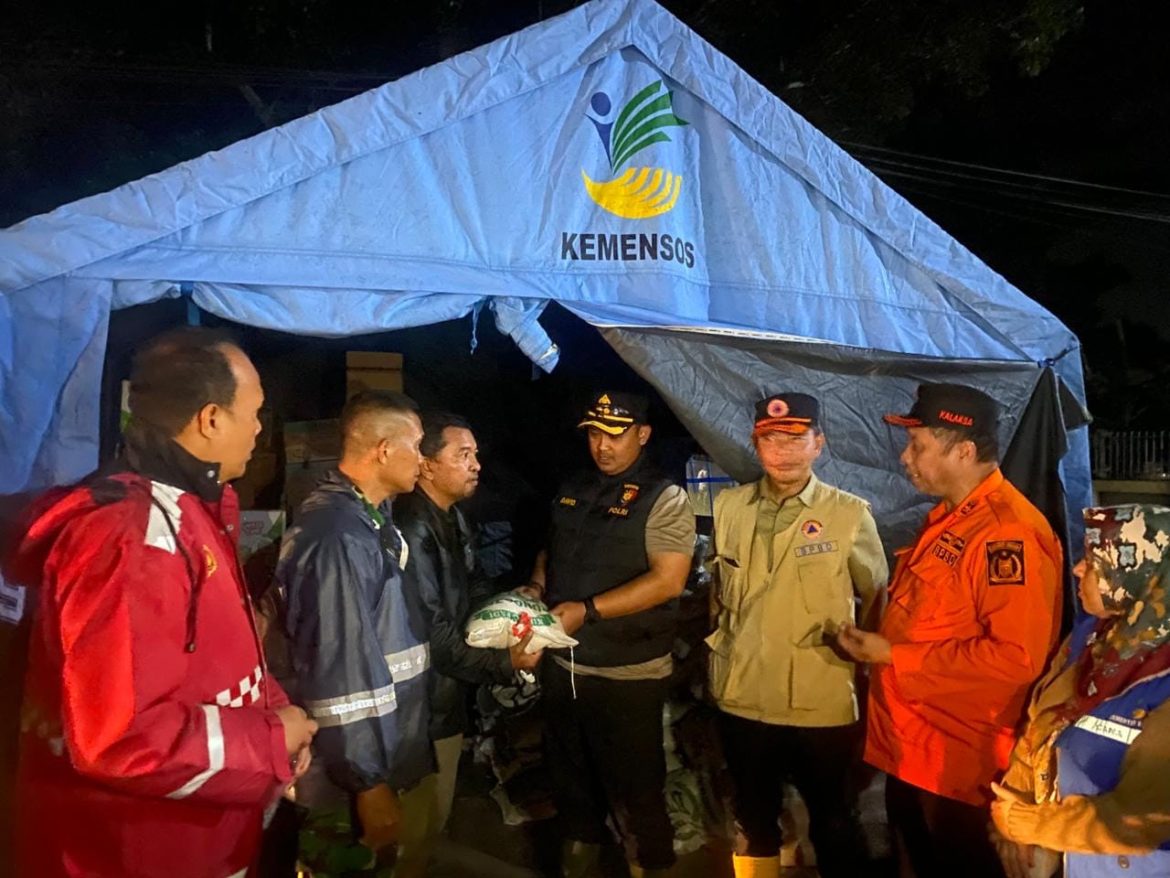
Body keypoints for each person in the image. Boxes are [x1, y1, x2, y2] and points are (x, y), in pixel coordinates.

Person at [8, 327, 317, 878]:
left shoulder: (190, 514)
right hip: (135, 856)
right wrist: (273, 740)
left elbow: (218, 664)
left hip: (198, 844)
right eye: (255, 412)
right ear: (212, 419)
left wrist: (274, 713)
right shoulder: (130, 536)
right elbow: (121, 737)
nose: (258, 429)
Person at [836, 382, 1063, 878]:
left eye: (918, 446)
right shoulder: (952, 521)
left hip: (960, 766)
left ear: (964, 451)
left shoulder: (1008, 534)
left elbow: (1016, 659)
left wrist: (893, 656)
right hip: (913, 749)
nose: (904, 458)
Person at [708, 393, 888, 878]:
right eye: (770, 438)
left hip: (821, 698)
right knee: (752, 819)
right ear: (756, 443)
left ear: (818, 445)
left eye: (795, 438)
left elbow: (877, 600)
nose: (782, 449)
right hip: (742, 693)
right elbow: (720, 595)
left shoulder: (849, 514)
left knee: (833, 821)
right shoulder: (728, 508)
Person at [525, 391, 695, 878]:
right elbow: (550, 548)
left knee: (637, 786)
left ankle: (652, 864)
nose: (602, 446)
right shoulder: (574, 485)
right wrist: (537, 585)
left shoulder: (664, 497)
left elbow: (668, 580)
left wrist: (588, 610)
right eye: (594, 434)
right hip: (565, 666)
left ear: (642, 435)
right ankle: (579, 859)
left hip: (628, 672)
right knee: (570, 778)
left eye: (615, 435)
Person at [277, 390, 433, 876]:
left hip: (371, 759)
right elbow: (340, 669)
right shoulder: (338, 536)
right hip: (344, 781)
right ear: (384, 449)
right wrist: (367, 784)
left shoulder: (368, 520)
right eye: (418, 445)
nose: (423, 459)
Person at [394, 411, 542, 871]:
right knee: (415, 828)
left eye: (475, 454)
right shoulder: (413, 529)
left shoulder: (451, 518)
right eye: (463, 455)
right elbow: (434, 633)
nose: (476, 464)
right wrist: (506, 663)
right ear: (427, 466)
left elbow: (472, 586)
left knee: (432, 819)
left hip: (445, 697)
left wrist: (507, 601)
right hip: (420, 708)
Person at [991, 504, 1170, 878]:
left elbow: (1141, 819)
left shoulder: (1163, 680)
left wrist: (1031, 825)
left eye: (1094, 562)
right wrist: (1015, 805)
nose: (1077, 569)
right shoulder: (1093, 642)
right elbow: (1040, 727)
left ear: (1135, 574)